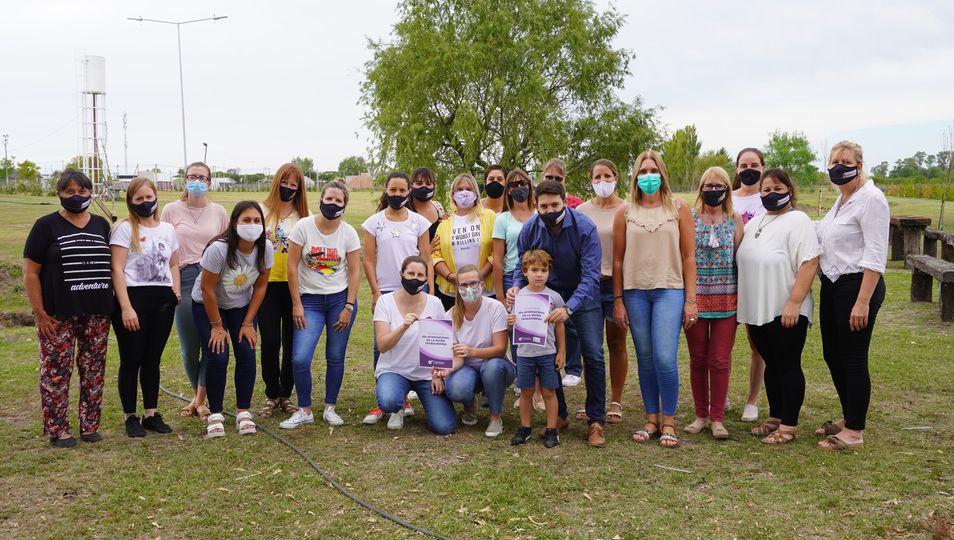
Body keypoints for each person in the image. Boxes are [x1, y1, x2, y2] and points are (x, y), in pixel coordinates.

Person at [508, 179, 607, 447]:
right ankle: (560, 416)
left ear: (565, 201)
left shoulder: (585, 227)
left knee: (594, 355)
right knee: (549, 355)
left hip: (582, 297)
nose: (550, 210)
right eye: (544, 206)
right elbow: (520, 265)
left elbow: (591, 276)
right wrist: (516, 287)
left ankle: (596, 420)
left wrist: (569, 307)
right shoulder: (530, 229)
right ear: (536, 205)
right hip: (545, 297)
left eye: (555, 205)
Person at [612, 150, 697, 449]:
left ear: (662, 174)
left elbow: (689, 256)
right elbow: (618, 260)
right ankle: (651, 419)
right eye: (643, 171)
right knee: (645, 358)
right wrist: (618, 299)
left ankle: (669, 421)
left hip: (669, 290)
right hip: (635, 292)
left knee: (664, 358)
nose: (648, 176)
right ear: (635, 176)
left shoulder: (678, 208)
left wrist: (691, 299)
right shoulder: (625, 211)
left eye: (653, 170)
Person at [23, 169, 113, 447]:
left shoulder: (101, 225)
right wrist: (40, 313)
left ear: (90, 193)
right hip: (57, 314)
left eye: (82, 191)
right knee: (56, 373)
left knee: (93, 370)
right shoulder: (45, 226)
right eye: (70, 191)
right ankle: (58, 429)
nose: (77, 196)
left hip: (97, 312)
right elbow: (30, 273)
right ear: (59, 194)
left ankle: (90, 426)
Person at [736, 168, 820, 445]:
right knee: (771, 362)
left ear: (790, 191)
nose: (771, 194)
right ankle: (775, 416)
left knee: (787, 363)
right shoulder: (755, 222)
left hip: (785, 306)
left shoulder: (798, 220)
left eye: (778, 189)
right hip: (758, 308)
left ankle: (789, 425)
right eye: (767, 190)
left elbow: (809, 262)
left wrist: (794, 302)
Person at [815, 141, 888, 451]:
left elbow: (875, 253)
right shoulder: (841, 200)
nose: (838, 167)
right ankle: (849, 416)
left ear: (859, 166)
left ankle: (855, 431)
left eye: (845, 162)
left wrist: (862, 301)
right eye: (834, 162)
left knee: (853, 357)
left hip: (858, 285)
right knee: (833, 354)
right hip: (833, 284)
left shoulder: (871, 199)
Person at [280, 180, 360, 429]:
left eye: (338, 200)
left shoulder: (348, 232)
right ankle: (304, 409)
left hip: (339, 300)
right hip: (309, 301)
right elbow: (291, 266)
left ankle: (330, 407)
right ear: (321, 200)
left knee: (335, 356)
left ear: (344, 205)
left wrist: (348, 306)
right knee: (300, 358)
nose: (333, 203)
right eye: (329, 198)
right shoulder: (304, 226)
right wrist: (296, 304)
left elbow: (355, 272)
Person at [192, 201, 274, 438]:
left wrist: (248, 323)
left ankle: (243, 411)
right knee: (218, 355)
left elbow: (261, 286)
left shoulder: (266, 247)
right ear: (235, 223)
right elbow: (207, 289)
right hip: (208, 305)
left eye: (257, 220)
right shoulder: (219, 249)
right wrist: (217, 327)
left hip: (240, 306)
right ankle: (216, 414)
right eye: (246, 220)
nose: (252, 225)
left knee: (247, 353)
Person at [110, 177, 181, 437]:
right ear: (130, 201)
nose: (145, 202)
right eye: (139, 198)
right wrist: (126, 307)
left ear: (156, 198)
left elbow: (174, 263)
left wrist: (175, 290)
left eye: (149, 197)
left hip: (162, 300)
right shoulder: (124, 229)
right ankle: (130, 416)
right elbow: (117, 268)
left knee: (152, 359)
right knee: (132, 359)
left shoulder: (168, 229)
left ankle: (151, 414)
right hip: (133, 298)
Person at [361, 171, 434, 424]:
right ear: (386, 190)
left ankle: (408, 397)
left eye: (402, 190)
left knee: (414, 341)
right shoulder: (374, 222)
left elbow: (427, 259)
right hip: (386, 292)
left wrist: (430, 291)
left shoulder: (419, 222)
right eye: (393, 190)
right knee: (381, 346)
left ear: (409, 191)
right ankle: (385, 401)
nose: (398, 194)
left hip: (416, 289)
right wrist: (375, 292)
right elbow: (369, 260)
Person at [160, 162, 229, 420]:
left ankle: (199, 400)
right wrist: (172, 284)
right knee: (189, 347)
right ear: (184, 180)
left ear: (209, 182)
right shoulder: (171, 210)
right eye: (192, 176)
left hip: (213, 277)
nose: (197, 181)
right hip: (185, 277)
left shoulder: (219, 211)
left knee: (212, 340)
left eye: (202, 177)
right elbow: (164, 247)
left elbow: (227, 245)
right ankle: (197, 395)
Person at [683, 167, 744, 440]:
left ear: (727, 189)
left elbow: (740, 259)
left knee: (719, 359)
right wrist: (688, 300)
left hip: (727, 301)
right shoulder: (689, 218)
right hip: (695, 300)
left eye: (719, 186)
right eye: (708, 186)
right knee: (698, 358)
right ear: (701, 189)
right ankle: (700, 415)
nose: (713, 190)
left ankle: (717, 418)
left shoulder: (735, 220)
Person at [372, 256, 457, 435]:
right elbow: (382, 346)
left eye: (420, 275)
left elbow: (441, 344)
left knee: (444, 427)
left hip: (425, 375)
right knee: (389, 401)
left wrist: (437, 375)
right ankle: (398, 406)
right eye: (411, 273)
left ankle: (429, 402)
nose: (415, 279)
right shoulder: (385, 302)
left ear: (426, 278)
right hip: (394, 370)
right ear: (401, 274)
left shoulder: (434, 303)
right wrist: (403, 326)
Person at [576, 159, 629, 424]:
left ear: (616, 177)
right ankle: (593, 401)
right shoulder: (582, 211)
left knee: (617, 343)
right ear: (591, 180)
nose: (602, 181)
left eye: (607, 176)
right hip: (590, 284)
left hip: (617, 283)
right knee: (592, 348)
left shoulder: (627, 208)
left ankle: (616, 400)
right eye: (597, 177)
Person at [436, 265, 514, 438]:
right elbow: (457, 356)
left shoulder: (495, 307)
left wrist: (472, 352)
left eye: (473, 283)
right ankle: (469, 404)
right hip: (466, 367)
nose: (469, 288)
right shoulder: (450, 315)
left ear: (482, 284)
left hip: (497, 366)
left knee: (493, 367)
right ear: (458, 288)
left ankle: (495, 417)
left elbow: (500, 349)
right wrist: (447, 371)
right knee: (456, 389)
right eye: (464, 285)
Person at [257, 163, 309, 419]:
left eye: (293, 185)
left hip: (294, 286)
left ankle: (286, 394)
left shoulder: (304, 216)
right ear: (277, 183)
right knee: (270, 342)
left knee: (291, 343)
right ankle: (272, 393)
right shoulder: (261, 210)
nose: (288, 188)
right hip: (266, 285)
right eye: (285, 183)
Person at [508, 250, 566, 449]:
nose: (539, 274)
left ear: (549, 272)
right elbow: (511, 324)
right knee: (526, 391)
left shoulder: (554, 297)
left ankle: (551, 429)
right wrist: (510, 323)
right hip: (525, 353)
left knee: (549, 392)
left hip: (547, 352)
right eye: (534, 270)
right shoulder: (517, 297)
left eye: (544, 270)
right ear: (525, 272)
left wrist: (561, 351)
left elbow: (560, 326)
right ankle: (525, 428)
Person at [732, 148, 767, 422]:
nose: (749, 169)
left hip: (757, 278)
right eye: (744, 165)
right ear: (736, 169)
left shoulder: (769, 198)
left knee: (757, 343)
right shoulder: (728, 198)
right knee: (722, 344)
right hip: (727, 278)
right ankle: (720, 396)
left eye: (754, 164)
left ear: (763, 167)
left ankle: (752, 400)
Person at [433, 173, 497, 310]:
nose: (464, 193)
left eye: (469, 189)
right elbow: (436, 255)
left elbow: (496, 251)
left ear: (476, 193)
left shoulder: (490, 217)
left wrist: (479, 276)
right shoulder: (444, 224)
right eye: (460, 189)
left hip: (485, 290)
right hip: (452, 292)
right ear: (453, 194)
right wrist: (449, 276)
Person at [407, 167, 446, 241]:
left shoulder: (438, 207)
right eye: (419, 183)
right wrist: (427, 247)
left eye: (428, 183)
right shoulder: (405, 209)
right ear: (411, 185)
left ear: (433, 186)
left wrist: (448, 222)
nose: (424, 187)